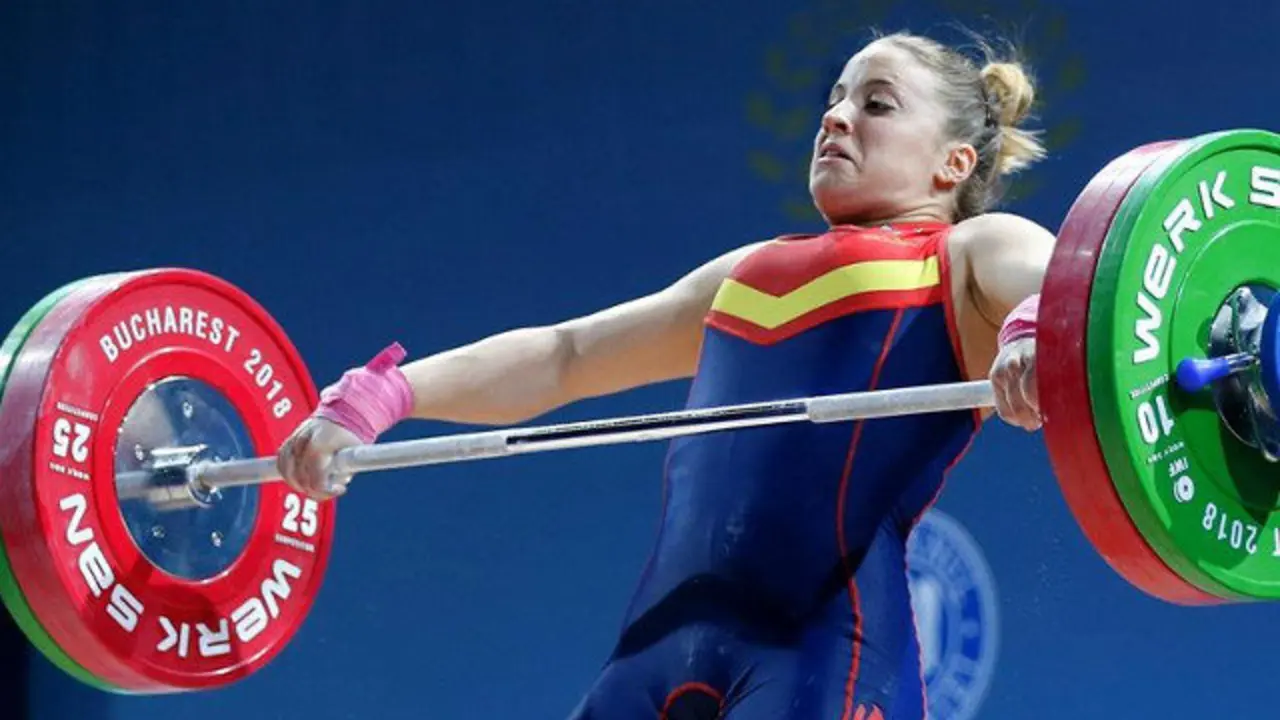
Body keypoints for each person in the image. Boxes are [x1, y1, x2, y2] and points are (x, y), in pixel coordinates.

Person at [276, 29, 1053, 720]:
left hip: (822, 654)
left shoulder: (967, 252)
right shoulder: (746, 274)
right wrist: (387, 394)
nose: (837, 117)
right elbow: (564, 356)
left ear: (953, 163)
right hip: (653, 654)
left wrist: (1029, 333)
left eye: (876, 104)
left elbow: (1066, 295)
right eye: (835, 99)